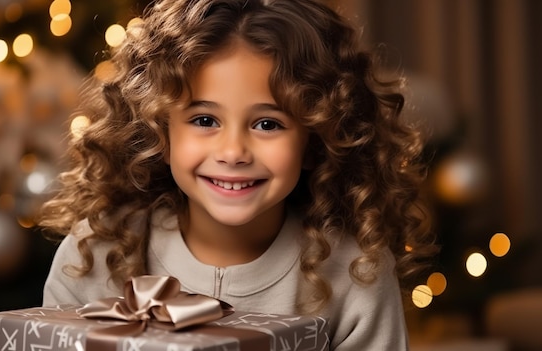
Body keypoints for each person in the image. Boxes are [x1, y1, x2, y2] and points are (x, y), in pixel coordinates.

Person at [39, 0, 437, 349]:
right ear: (159, 131)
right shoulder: (93, 254)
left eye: (267, 124)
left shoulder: (356, 272)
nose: (232, 152)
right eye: (205, 119)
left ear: (315, 141)